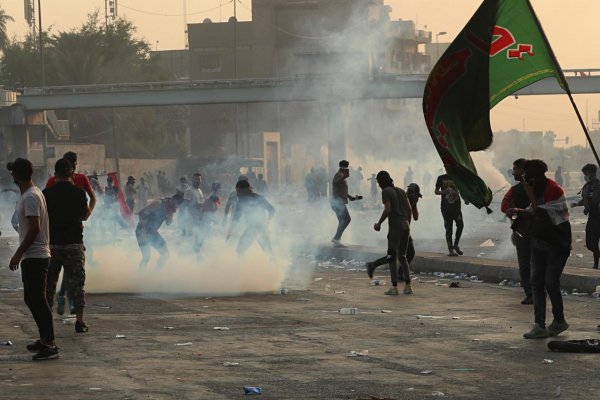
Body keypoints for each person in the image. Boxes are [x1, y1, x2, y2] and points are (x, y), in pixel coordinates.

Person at [509, 159, 571, 339]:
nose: (526, 180)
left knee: (551, 282)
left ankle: (559, 321)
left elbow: (545, 212)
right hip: (539, 242)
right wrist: (519, 211)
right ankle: (539, 324)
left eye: (527, 176)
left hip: (557, 244)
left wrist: (529, 194)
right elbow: (533, 210)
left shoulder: (554, 189)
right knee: (536, 282)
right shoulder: (535, 188)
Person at [7, 158, 59, 360]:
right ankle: (44, 339)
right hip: (34, 255)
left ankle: (50, 344)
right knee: (32, 298)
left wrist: (18, 253)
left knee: (38, 299)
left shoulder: (30, 197)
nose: (11, 175)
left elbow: (35, 228)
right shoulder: (32, 194)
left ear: (17, 175)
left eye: (13, 172)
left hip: (35, 255)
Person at [43, 159, 90, 333]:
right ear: (72, 173)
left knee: (49, 285)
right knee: (77, 284)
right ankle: (80, 322)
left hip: (53, 245)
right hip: (74, 244)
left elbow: (42, 218)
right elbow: (84, 215)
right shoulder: (78, 193)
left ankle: (47, 324)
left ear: (55, 175)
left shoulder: (46, 193)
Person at [365, 171, 413, 295]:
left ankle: (394, 287)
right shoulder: (401, 191)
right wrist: (408, 224)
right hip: (405, 226)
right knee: (402, 256)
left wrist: (379, 223)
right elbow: (409, 209)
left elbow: (388, 210)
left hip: (395, 227)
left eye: (379, 182)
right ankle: (408, 286)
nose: (379, 185)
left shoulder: (386, 192)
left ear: (381, 182)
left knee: (391, 257)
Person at [501, 158, 533, 304]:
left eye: (515, 169)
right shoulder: (541, 186)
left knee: (525, 264)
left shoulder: (516, 189)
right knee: (538, 263)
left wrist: (512, 212)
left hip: (524, 231)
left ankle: (531, 293)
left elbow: (504, 206)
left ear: (522, 170)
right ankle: (539, 291)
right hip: (539, 231)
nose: (513, 172)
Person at [135, 193, 184, 268]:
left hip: (152, 232)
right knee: (146, 256)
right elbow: (141, 214)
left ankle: (155, 274)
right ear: (172, 200)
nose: (175, 208)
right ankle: (139, 276)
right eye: (174, 205)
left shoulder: (170, 208)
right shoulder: (159, 203)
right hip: (141, 231)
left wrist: (169, 216)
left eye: (176, 207)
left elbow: (168, 223)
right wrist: (144, 231)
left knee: (165, 253)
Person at [227, 179, 275, 255]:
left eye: (239, 191)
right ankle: (243, 266)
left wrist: (267, 222)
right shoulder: (244, 201)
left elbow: (272, 210)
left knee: (268, 252)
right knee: (240, 251)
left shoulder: (256, 198)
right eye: (237, 192)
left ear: (245, 190)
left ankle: (274, 265)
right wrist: (230, 233)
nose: (237, 194)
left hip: (258, 229)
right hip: (253, 229)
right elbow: (235, 219)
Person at [571, 163, 600, 269]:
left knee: (595, 241)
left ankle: (596, 264)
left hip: (598, 216)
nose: (585, 176)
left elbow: (595, 201)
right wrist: (576, 204)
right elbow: (584, 199)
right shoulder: (586, 186)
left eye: (587, 174)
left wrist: (588, 208)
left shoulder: (598, 186)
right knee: (589, 243)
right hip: (591, 217)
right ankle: (597, 255)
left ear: (592, 173)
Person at [330, 160, 362, 247]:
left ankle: (337, 240)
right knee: (347, 219)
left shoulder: (341, 175)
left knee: (342, 221)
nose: (348, 171)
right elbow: (336, 182)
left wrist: (350, 197)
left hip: (337, 201)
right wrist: (344, 177)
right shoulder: (338, 175)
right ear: (344, 168)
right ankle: (336, 238)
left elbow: (340, 189)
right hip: (337, 202)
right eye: (347, 168)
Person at [435, 171, 464, 256]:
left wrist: (466, 199)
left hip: (456, 207)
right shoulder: (441, 178)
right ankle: (450, 249)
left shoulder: (457, 177)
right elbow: (436, 191)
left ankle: (456, 245)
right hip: (446, 207)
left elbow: (462, 190)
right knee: (449, 228)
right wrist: (444, 192)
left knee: (460, 225)